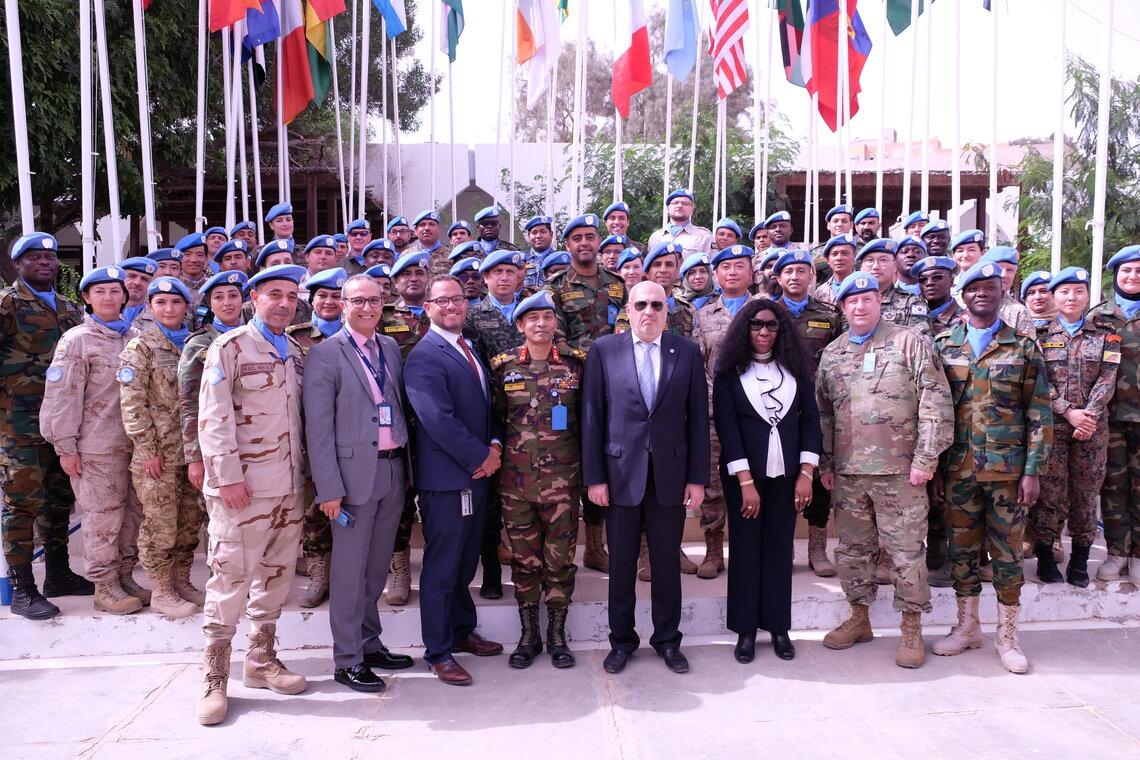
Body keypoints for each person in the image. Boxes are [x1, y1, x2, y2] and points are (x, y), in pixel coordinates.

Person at [816, 272, 954, 669]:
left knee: (906, 553)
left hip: (901, 474)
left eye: (868, 298)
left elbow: (935, 403)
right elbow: (823, 414)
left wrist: (926, 461)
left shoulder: (909, 342)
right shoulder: (833, 354)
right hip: (849, 474)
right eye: (851, 300)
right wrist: (827, 463)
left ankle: (911, 627)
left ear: (880, 301)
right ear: (842, 307)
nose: (860, 306)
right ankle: (859, 618)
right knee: (852, 551)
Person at [195, 264, 310, 725]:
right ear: (253, 298)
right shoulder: (230, 347)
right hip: (243, 489)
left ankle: (260, 661)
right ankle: (213, 677)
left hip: (288, 486)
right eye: (274, 294)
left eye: (290, 295)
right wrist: (226, 478)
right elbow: (213, 416)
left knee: (276, 576)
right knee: (229, 579)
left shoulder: (296, 350)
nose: (284, 302)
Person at [583, 280, 709, 675]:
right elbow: (592, 418)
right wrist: (595, 478)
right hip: (620, 475)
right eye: (641, 304)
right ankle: (621, 641)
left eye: (657, 304)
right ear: (628, 310)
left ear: (667, 310)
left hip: (670, 475)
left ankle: (668, 640)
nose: (649, 312)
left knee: (666, 565)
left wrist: (697, 478)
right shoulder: (604, 350)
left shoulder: (686, 351)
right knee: (621, 565)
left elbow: (698, 422)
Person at [932, 260, 1052, 674]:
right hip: (958, 469)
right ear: (963, 295)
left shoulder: (1022, 347)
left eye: (990, 286)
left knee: (1006, 555)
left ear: (1003, 294)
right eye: (973, 287)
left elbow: (1039, 413)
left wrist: (1033, 470)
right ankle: (967, 627)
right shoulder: (944, 344)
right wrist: (932, 467)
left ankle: (1008, 635)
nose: (981, 292)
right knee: (961, 552)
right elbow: (933, 410)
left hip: (1008, 471)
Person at [303, 274, 414, 692]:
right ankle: (347, 659)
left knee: (373, 569)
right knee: (349, 574)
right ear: (342, 305)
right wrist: (328, 488)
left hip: (391, 470)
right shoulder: (326, 355)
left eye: (374, 301)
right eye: (358, 302)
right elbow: (318, 428)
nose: (367, 308)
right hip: (350, 480)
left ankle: (369, 644)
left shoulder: (388, 347)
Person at [403, 275, 506, 686]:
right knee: (443, 568)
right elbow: (437, 420)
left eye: (458, 299)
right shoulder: (424, 356)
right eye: (442, 300)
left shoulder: (469, 348)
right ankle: (438, 650)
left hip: (478, 473)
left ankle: (462, 631)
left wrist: (494, 445)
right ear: (427, 307)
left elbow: (485, 407)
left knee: (465, 563)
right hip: (448, 480)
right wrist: (482, 456)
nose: (452, 306)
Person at [714, 298, 821, 663]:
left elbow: (811, 422)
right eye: (756, 325)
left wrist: (806, 474)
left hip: (789, 477)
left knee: (779, 549)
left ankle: (778, 627)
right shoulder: (728, 373)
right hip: (745, 477)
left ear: (782, 330)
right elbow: (727, 429)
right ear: (745, 329)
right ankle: (745, 630)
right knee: (745, 549)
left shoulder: (797, 369)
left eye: (771, 325)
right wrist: (745, 481)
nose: (763, 331)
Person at [40, 266, 145, 615]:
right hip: (96, 447)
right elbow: (62, 397)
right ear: (86, 298)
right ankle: (104, 585)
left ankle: (124, 576)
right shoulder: (77, 341)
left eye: (115, 291)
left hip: (134, 445)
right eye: (99, 292)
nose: (108, 298)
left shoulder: (135, 336)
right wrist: (64, 446)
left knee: (132, 516)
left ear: (124, 297)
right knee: (102, 518)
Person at [490, 291, 585, 669]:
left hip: (564, 481)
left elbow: (588, 419)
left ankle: (557, 635)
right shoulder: (503, 366)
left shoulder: (578, 365)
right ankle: (529, 634)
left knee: (560, 560)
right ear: (520, 325)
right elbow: (495, 419)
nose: (541, 324)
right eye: (532, 318)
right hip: (516, 483)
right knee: (525, 561)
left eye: (547, 317)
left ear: (555, 323)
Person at [1, 232, 90, 620]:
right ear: (18, 264)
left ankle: (58, 575)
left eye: (50, 257)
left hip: (60, 425)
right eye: (34, 257)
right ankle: (23, 589)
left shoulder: (69, 309)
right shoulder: (7, 304)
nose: (45, 262)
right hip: (17, 424)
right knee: (21, 505)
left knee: (57, 501)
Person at [545, 213, 628, 572]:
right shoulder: (556, 286)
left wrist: (609, 356)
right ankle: (563, 546)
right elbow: (555, 337)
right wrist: (596, 355)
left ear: (599, 241)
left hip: (615, 384)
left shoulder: (617, 283)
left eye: (590, 237)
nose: (584, 243)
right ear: (567, 245)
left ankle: (596, 545)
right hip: (572, 384)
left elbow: (625, 325)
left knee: (604, 456)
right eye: (576, 238)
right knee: (570, 455)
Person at [119, 276, 202, 618]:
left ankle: (182, 580)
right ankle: (162, 589)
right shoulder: (140, 348)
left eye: (176, 302)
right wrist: (147, 448)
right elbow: (132, 403)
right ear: (150, 308)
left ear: (186, 307)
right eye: (161, 303)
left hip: (193, 453)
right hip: (158, 456)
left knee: (189, 520)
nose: (169, 309)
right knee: (160, 524)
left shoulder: (196, 344)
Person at [1033, 267, 1117, 587]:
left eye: (1078, 291)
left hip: (1092, 429)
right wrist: (1068, 412)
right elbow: (1039, 381)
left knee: (1085, 494)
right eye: (1065, 292)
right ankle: (1044, 556)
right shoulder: (1041, 336)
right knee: (1050, 493)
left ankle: (1080, 560)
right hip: (1053, 425)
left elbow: (1108, 379)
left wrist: (1088, 416)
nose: (1072, 297)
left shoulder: (1106, 334)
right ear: (1055, 297)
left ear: (1087, 296)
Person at [462, 249, 530, 600]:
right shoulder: (472, 316)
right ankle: (490, 573)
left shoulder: (533, 309)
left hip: (528, 414)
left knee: (523, 494)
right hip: (487, 411)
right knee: (488, 502)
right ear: (484, 279)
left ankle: (529, 570)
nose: (503, 277)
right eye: (495, 272)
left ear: (519, 276)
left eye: (509, 271)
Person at [773, 250, 842, 577]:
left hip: (820, 409)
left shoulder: (829, 315)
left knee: (817, 473)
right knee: (782, 474)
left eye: (802, 271)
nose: (795, 277)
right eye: (789, 272)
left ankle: (817, 547)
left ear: (811, 276)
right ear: (778, 278)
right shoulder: (767, 313)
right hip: (778, 409)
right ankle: (782, 545)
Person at [284, 268, 348, 609]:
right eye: (322, 295)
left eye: (336, 296)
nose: (329, 301)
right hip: (309, 439)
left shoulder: (361, 335)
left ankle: (348, 575)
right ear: (312, 299)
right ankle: (319, 575)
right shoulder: (294, 337)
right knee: (314, 509)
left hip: (352, 438)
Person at [692, 244, 756, 579]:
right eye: (726, 267)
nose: (732, 272)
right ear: (716, 275)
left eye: (739, 266)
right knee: (713, 483)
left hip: (756, 415)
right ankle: (713, 549)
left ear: (751, 271)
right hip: (715, 414)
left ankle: (749, 548)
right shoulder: (702, 315)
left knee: (754, 481)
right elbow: (698, 366)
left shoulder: (765, 311)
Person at [178, 271, 247, 534]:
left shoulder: (255, 337)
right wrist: (195, 457)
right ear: (210, 304)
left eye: (233, 295)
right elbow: (189, 402)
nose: (227, 302)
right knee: (220, 523)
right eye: (219, 297)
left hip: (251, 442)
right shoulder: (199, 343)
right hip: (214, 446)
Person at [1088, 245, 1140, 581]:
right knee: (1113, 485)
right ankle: (1117, 553)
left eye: (1138, 271)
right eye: (1126, 271)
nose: (1133, 277)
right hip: (1109, 418)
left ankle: (1139, 556)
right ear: (1115, 275)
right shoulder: (1098, 316)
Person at [856, 238, 931, 338]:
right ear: (861, 267)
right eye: (869, 260)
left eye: (883, 260)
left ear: (895, 266)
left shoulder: (912, 303)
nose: (875, 266)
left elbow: (920, 345)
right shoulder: (851, 303)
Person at [979, 246, 1037, 336]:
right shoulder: (965, 305)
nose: (1004, 275)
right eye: (999, 268)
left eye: (1010, 270)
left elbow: (1029, 349)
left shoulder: (1019, 312)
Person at [648, 188, 713, 255]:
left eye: (685, 203)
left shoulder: (704, 237)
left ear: (692, 209)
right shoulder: (655, 237)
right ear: (668, 208)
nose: (679, 206)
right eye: (675, 203)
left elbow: (711, 264)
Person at [914, 255, 963, 338]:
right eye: (923, 280)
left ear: (951, 281)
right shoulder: (913, 317)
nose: (929, 283)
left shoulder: (964, 320)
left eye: (937, 277)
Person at [815, 234, 859, 305]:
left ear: (854, 257)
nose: (839, 258)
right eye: (834, 254)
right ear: (828, 260)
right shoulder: (820, 292)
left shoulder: (864, 286)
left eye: (845, 253)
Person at [118, 256, 159, 331]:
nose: (137, 282)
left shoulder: (160, 317)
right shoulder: (104, 312)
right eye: (131, 276)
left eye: (144, 279)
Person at [522, 216, 555, 289]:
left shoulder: (559, 259)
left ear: (551, 234)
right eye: (534, 232)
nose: (538, 236)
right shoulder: (521, 260)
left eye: (543, 232)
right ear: (528, 236)